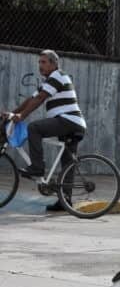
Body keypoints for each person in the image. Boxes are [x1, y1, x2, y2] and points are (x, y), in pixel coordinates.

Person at [2, 49, 86, 211]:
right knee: (67, 162)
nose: (40, 65)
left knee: (34, 128)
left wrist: (21, 116)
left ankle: (37, 167)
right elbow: (31, 99)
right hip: (73, 123)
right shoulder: (47, 81)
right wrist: (13, 113)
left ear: (54, 64)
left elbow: (40, 99)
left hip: (68, 121)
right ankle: (65, 201)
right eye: (39, 62)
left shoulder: (58, 76)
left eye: (44, 62)